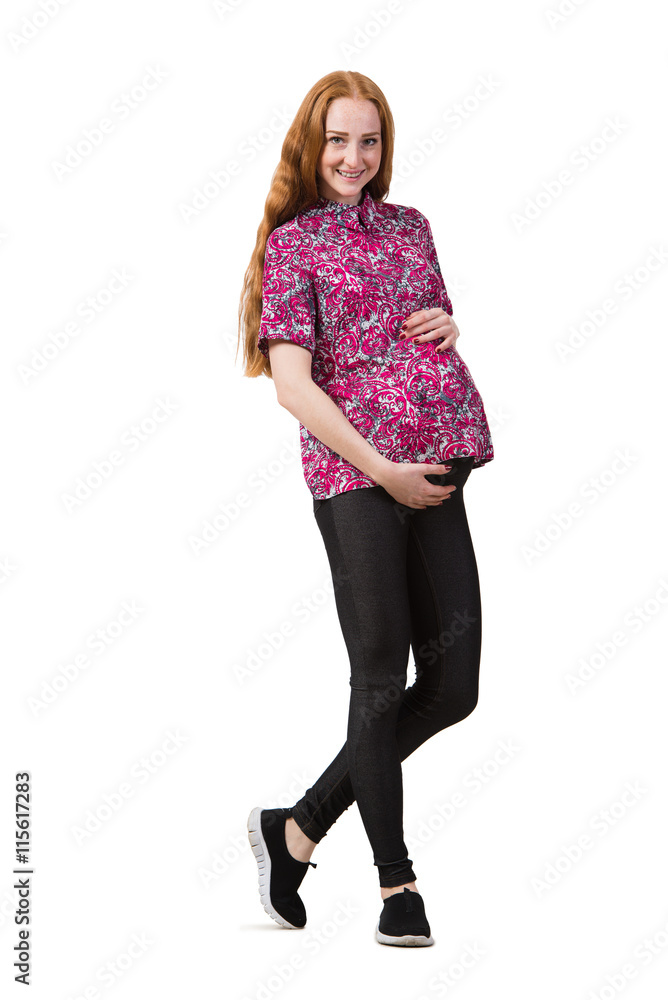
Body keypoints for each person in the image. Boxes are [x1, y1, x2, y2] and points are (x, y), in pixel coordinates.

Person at [238, 70, 494, 947]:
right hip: (357, 477)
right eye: (339, 140)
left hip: (437, 463)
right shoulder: (293, 245)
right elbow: (292, 384)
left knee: (453, 687)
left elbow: (423, 326)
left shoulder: (411, 226)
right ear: (313, 145)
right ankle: (397, 885)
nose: (354, 157)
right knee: (380, 678)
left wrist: (449, 329)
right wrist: (382, 469)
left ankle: (297, 828)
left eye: (370, 140)